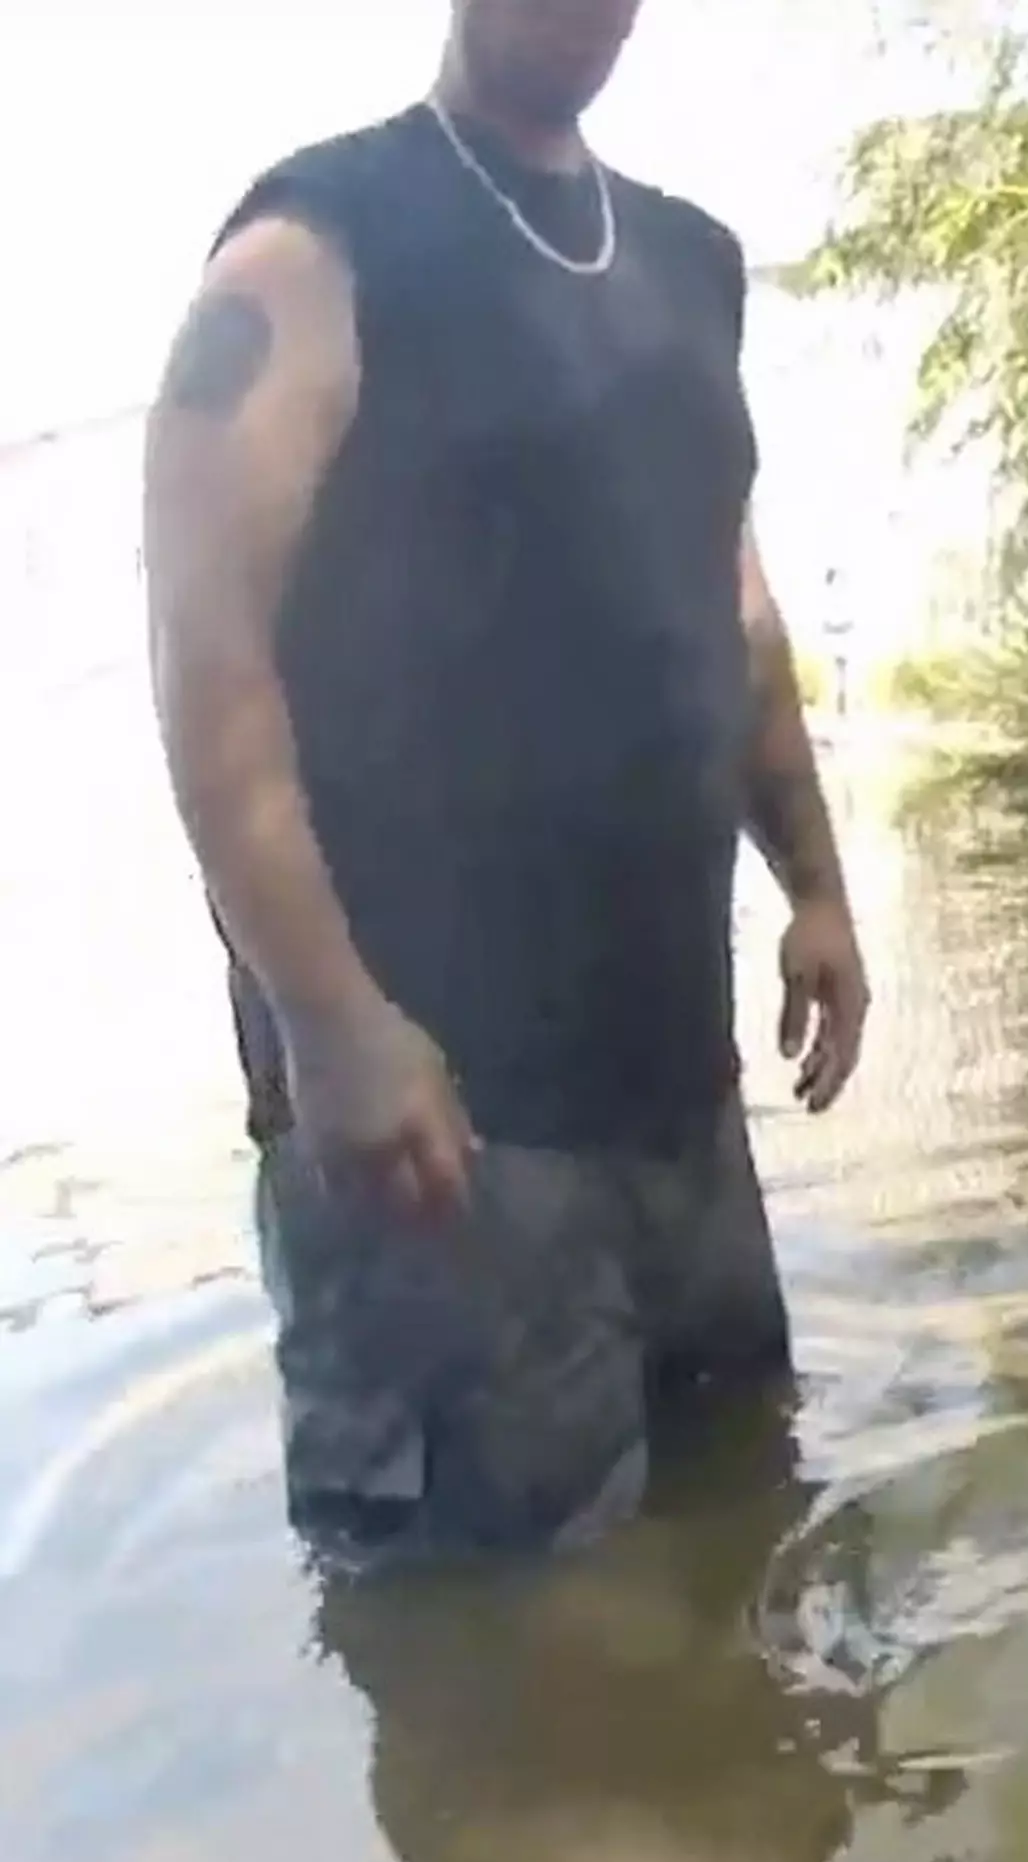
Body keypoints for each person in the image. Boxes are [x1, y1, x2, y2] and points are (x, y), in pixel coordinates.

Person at [138, 0, 867, 1565]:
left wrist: (816, 888)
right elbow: (210, 665)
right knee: (495, 1641)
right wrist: (330, 1025)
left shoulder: (691, 265)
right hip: (446, 1138)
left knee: (748, 1546)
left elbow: (730, 608)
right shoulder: (313, 250)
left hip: (678, 1097)